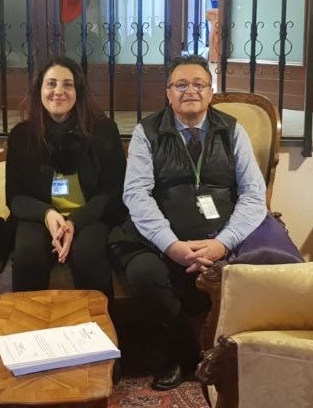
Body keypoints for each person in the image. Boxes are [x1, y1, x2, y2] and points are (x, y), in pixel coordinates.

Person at [108, 54, 299, 391]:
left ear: (211, 92)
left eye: (199, 84)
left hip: (220, 235)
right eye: (181, 84)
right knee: (144, 273)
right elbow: (136, 195)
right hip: (158, 238)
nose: (190, 91)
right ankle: (181, 350)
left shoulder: (232, 131)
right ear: (168, 93)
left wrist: (222, 243)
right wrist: (172, 245)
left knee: (239, 270)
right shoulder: (146, 132)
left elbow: (254, 194)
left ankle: (239, 350)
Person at [5, 56, 126, 298]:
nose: (59, 91)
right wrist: (48, 214)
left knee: (88, 254)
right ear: (39, 90)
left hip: (90, 216)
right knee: (29, 254)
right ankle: (29, 320)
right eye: (51, 84)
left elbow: (113, 192)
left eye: (67, 84)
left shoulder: (103, 131)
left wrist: (74, 222)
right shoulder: (22, 135)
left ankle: (96, 322)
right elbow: (15, 197)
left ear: (78, 90)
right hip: (40, 216)